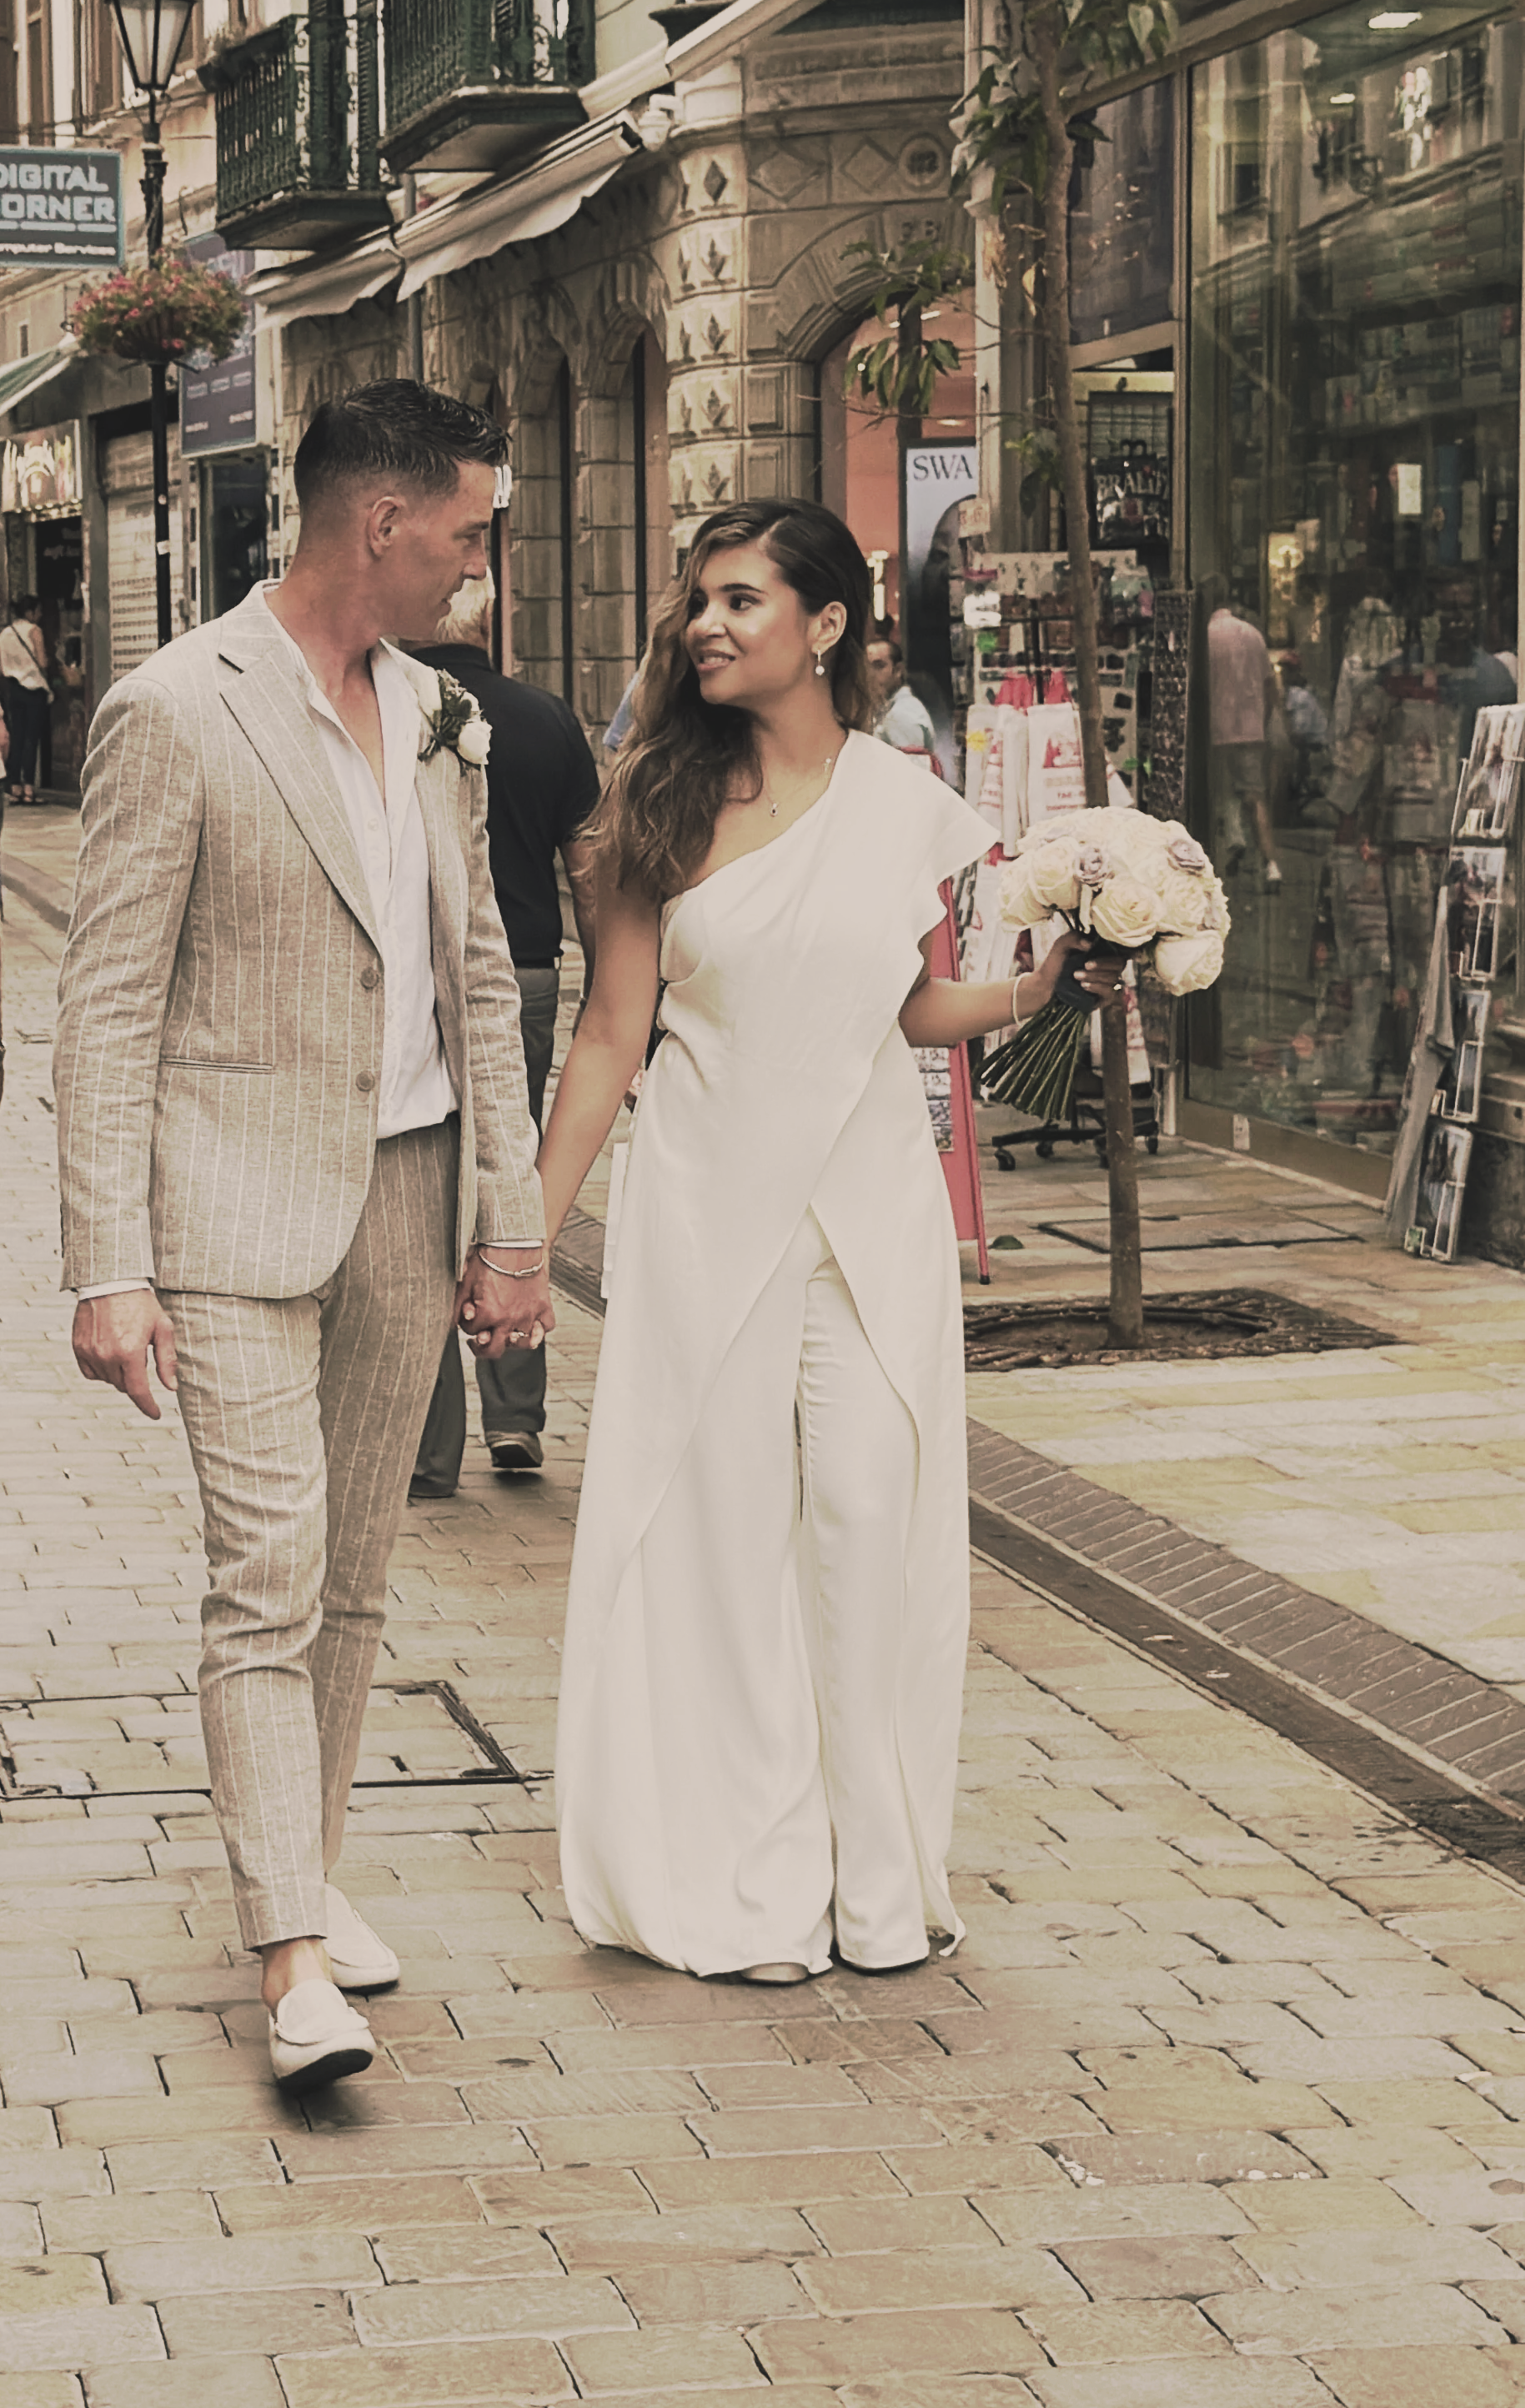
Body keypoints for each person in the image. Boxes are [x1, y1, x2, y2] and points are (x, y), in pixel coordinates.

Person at [535, 498, 1122, 1981]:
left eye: (740, 598)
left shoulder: (905, 804)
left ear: (828, 625)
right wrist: (517, 1239)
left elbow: (904, 1006)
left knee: (870, 1518)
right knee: (721, 1543)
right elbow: (612, 1035)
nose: (706, 625)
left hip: (866, 1207)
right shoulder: (648, 806)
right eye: (698, 602)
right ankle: (744, 1883)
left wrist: (1032, 993)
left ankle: (875, 1881)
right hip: (703, 1207)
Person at [53, 381, 551, 2099]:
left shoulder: (439, 714)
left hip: (409, 1194)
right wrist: (102, 1263)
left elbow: (476, 970)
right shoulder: (173, 708)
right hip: (232, 1207)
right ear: (379, 524)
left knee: (352, 1576)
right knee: (264, 1575)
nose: (481, 565)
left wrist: (514, 1222)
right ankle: (284, 1957)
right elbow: (106, 1006)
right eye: (471, 532)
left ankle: (305, 1862)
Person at [409, 574, 599, 1491]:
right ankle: (516, 1416)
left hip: (410, 985)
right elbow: (589, 867)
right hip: (523, 978)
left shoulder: (392, 708)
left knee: (417, 1195)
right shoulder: (547, 718)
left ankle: (427, 1442)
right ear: (491, 619)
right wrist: (608, 987)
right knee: (508, 1177)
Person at [1206, 591, 1282, 887]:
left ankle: (1224, 851)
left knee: (1218, 794)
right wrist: (1263, 721)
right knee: (1255, 797)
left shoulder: (1206, 637)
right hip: (1251, 728)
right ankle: (1272, 865)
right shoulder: (1254, 635)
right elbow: (1269, 686)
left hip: (1216, 729)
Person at [0, 597, 48, 804]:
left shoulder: (5, 634)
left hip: (14, 689)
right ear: (30, 612)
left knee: (17, 737)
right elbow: (42, 661)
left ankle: (15, 787)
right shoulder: (34, 631)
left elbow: (2, 668)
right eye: (38, 612)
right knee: (31, 739)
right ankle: (29, 789)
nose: (39, 616)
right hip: (34, 689)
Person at [865, 627, 938, 758]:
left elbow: (911, 774)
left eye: (879, 666)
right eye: (867, 667)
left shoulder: (901, 715)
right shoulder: (888, 709)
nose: (870, 674)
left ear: (898, 670)